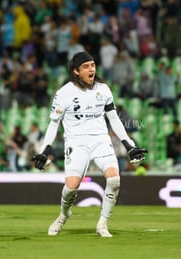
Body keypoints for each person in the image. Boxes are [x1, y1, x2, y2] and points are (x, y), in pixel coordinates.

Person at [31, 51, 147, 237]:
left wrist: (130, 145)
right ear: (76, 71)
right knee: (71, 187)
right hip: (76, 143)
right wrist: (45, 151)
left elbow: (114, 119)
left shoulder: (103, 89)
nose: (91, 69)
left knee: (114, 180)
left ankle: (102, 224)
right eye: (86, 66)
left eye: (92, 65)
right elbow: (54, 124)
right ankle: (63, 215)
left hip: (100, 140)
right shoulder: (63, 93)